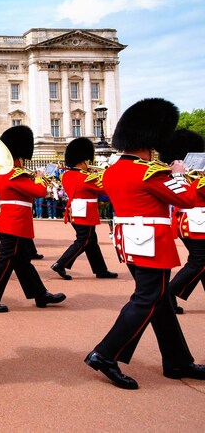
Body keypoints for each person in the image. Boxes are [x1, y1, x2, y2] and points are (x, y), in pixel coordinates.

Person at [85, 98, 205, 390]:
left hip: (131, 241)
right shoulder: (150, 172)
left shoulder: (113, 170)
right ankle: (105, 353)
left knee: (160, 301)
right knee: (147, 299)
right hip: (151, 242)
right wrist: (179, 174)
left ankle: (177, 360)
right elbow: (187, 199)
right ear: (150, 140)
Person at [0, 126, 65, 313]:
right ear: (19, 156)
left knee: (22, 261)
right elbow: (39, 192)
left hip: (6, 220)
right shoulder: (17, 174)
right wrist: (39, 178)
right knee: (6, 260)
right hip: (14, 222)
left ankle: (40, 294)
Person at [51, 138, 117, 280]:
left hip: (74, 211)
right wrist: (107, 174)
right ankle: (61, 264)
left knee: (91, 241)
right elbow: (104, 189)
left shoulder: (67, 175)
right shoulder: (86, 177)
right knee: (84, 241)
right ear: (84, 161)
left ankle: (101, 270)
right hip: (85, 213)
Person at [160, 129, 205, 313]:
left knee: (202, 262)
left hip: (196, 222)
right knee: (198, 262)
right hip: (195, 223)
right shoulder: (184, 175)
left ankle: (170, 295)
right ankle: (169, 294)